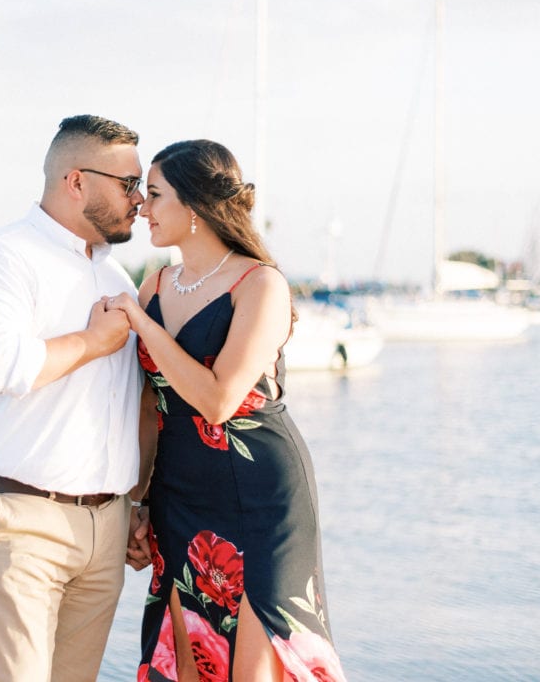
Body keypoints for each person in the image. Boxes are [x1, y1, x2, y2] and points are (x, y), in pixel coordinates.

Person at [107, 140, 347, 682]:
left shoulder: (260, 284)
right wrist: (137, 503)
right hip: (179, 494)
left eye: (155, 194)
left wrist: (144, 327)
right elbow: (151, 408)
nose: (143, 207)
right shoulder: (154, 287)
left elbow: (218, 400)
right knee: (188, 656)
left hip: (262, 497)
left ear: (193, 206)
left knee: (256, 665)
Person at [0, 114, 151, 682]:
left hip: (106, 526)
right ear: (76, 180)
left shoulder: (118, 280)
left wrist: (137, 502)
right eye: (127, 183)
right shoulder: (1, 258)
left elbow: (132, 404)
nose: (139, 200)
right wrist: (89, 341)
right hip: (19, 520)